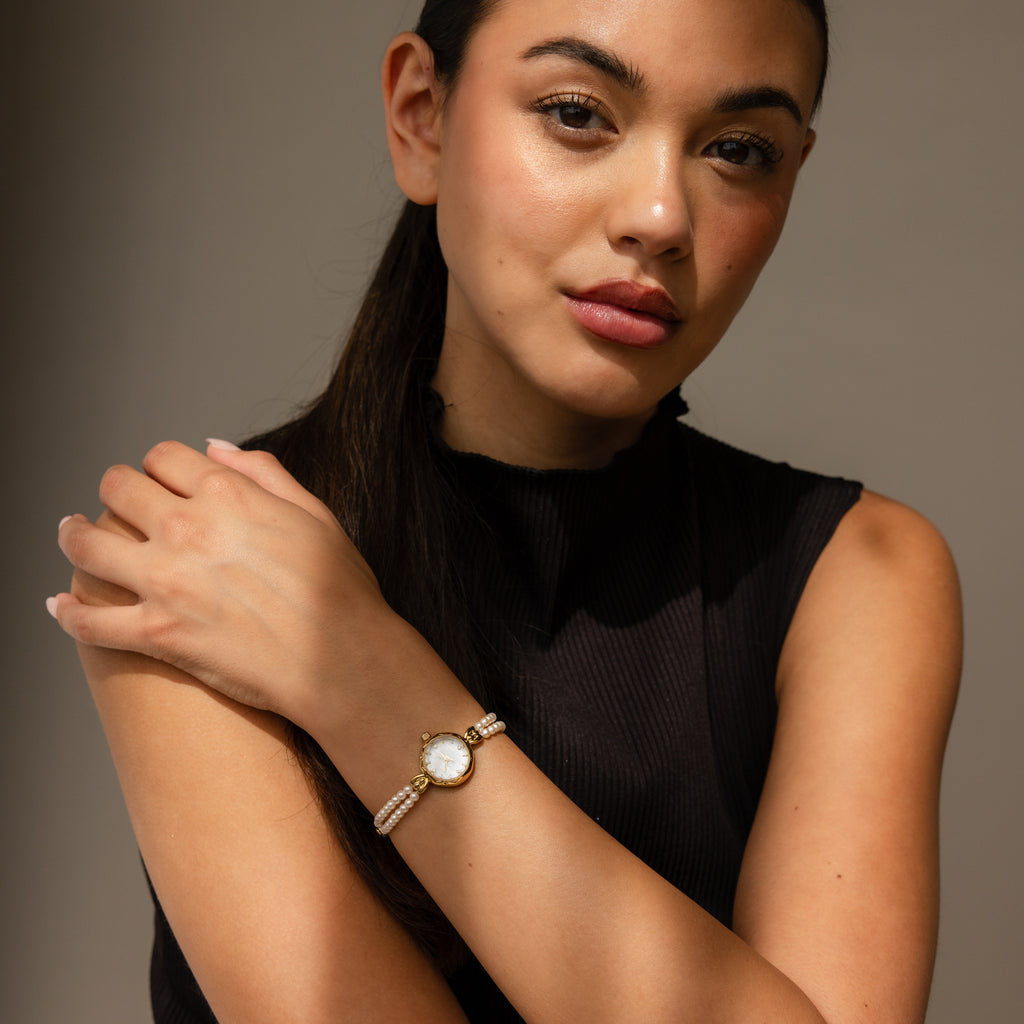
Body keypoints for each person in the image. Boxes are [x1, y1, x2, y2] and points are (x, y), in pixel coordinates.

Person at [47, 0, 961, 1020]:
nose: (660, 216)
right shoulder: (200, 554)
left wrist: (370, 678)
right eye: (577, 112)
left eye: (739, 148)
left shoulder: (861, 571)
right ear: (421, 118)